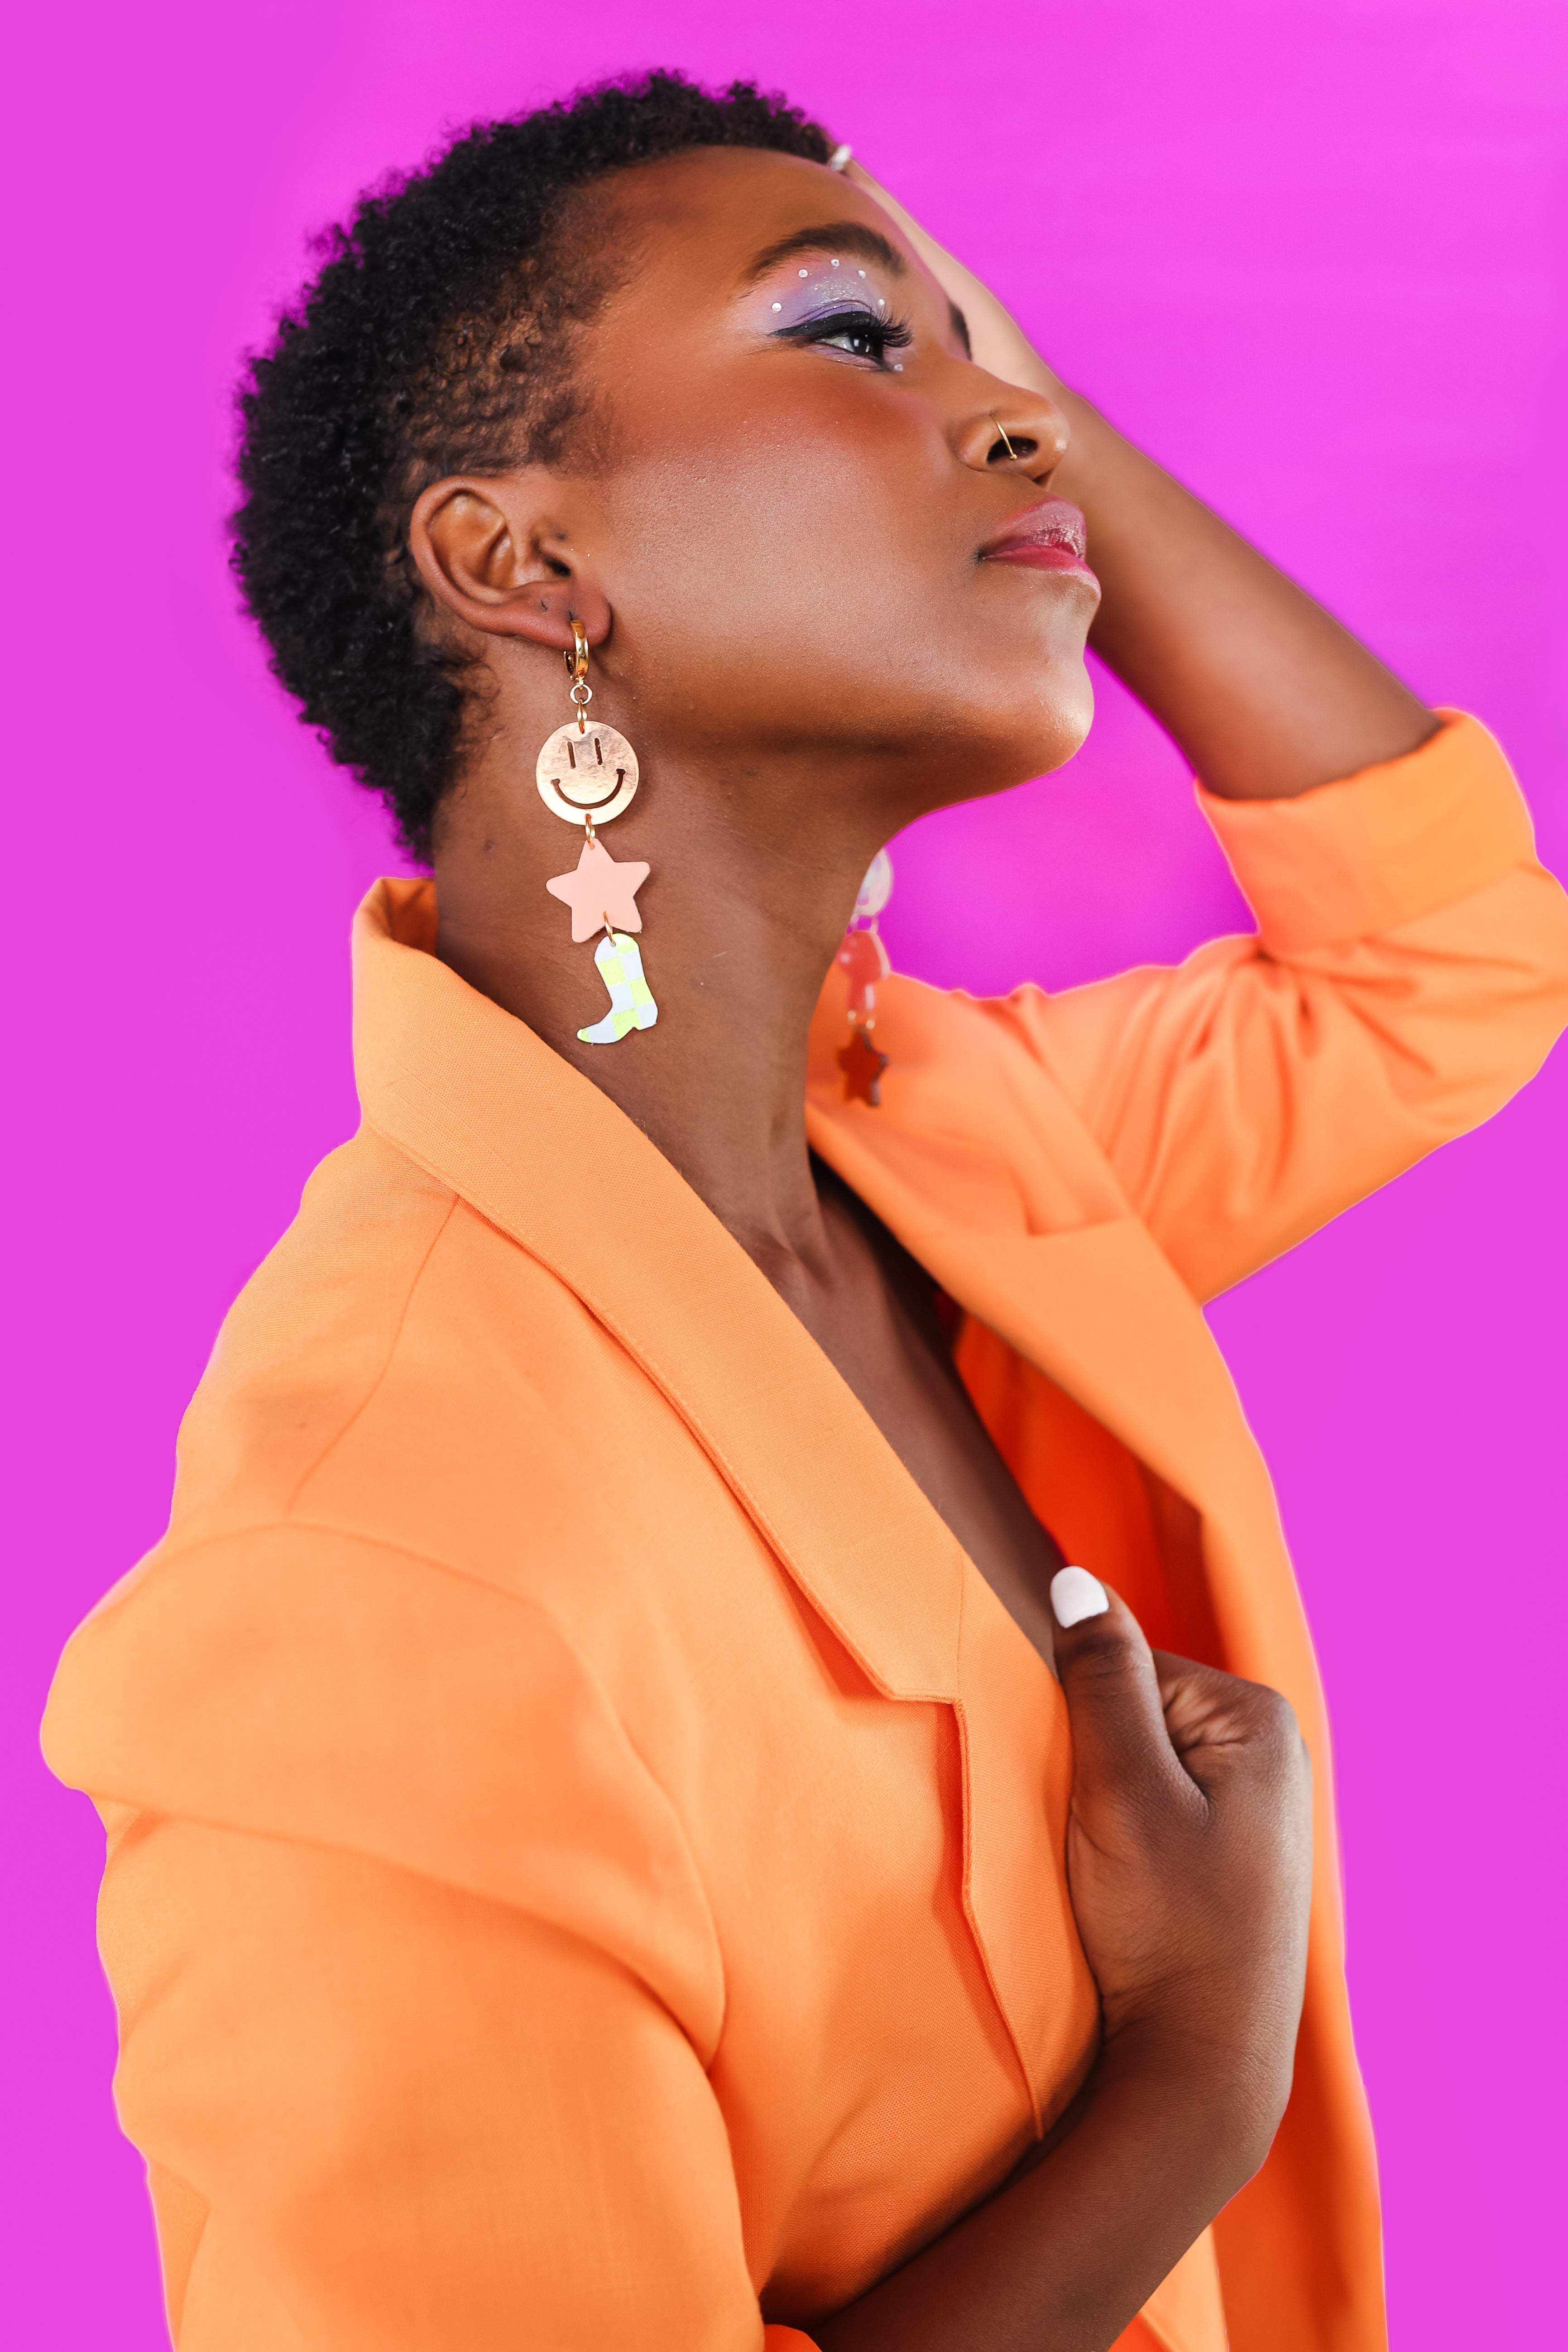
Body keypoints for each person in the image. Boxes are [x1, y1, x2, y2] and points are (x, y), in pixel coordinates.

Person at [42, 69, 1568, 2352]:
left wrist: (1020, 433)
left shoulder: (965, 1155)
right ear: (520, 566)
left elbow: (1441, 966)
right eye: (856, 334)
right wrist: (1189, 2079)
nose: (1018, 422)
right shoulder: (379, 1572)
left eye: (989, 358)